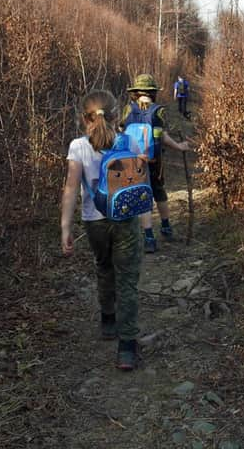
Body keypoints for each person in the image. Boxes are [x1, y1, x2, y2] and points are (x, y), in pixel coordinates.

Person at [61, 89, 142, 370]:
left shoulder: (77, 147)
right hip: (124, 220)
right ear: (117, 116)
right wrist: (146, 222)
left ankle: (108, 320)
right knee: (128, 279)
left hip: (93, 221)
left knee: (104, 267)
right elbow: (136, 183)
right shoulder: (129, 141)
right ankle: (127, 347)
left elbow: (71, 188)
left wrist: (65, 228)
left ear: (85, 119)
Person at [121, 73, 191, 253]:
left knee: (142, 197)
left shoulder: (128, 109)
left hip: (133, 160)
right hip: (154, 160)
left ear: (136, 92)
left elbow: (121, 132)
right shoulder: (157, 110)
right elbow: (161, 136)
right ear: (152, 92)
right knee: (159, 193)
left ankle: (149, 238)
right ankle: (166, 227)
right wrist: (179, 146)